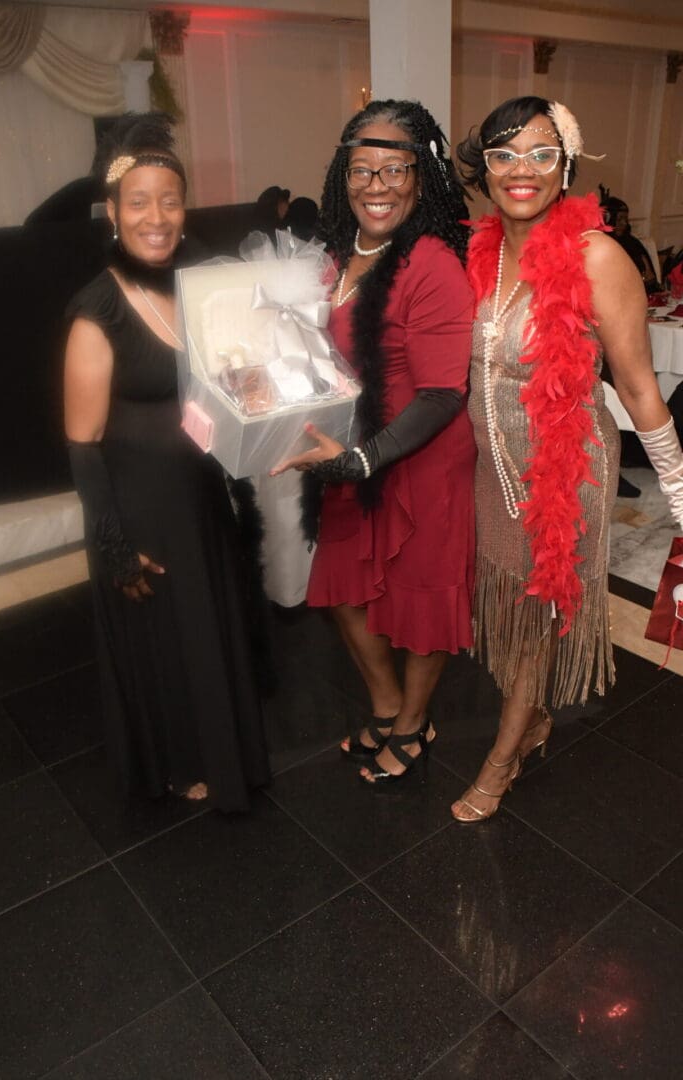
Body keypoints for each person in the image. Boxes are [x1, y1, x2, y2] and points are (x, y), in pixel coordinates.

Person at [453, 95, 683, 821]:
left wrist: (682, 496)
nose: (522, 170)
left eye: (541, 153)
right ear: (484, 168)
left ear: (566, 165)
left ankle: (502, 757)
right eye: (504, 154)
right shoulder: (481, 250)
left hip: (564, 470)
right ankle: (533, 721)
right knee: (506, 605)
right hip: (491, 467)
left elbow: (642, 390)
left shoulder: (597, 257)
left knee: (536, 615)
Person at [64, 113, 270, 811]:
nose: (157, 216)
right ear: (114, 214)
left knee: (207, 628)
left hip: (198, 496)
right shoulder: (98, 310)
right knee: (167, 641)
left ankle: (222, 747)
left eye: (170, 200)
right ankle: (182, 762)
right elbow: (83, 440)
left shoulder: (193, 289)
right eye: (140, 202)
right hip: (140, 508)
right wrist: (114, 544)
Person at [271, 99, 476, 787]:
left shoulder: (432, 262)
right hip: (349, 455)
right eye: (363, 169)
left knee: (419, 601)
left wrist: (364, 458)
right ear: (342, 175)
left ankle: (414, 724)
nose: (378, 184)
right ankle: (388, 705)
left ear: (422, 178)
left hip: (419, 457)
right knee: (344, 590)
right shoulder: (332, 256)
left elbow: (445, 392)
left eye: (396, 168)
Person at [598, 186, 663, 294]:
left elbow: (650, 280)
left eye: (625, 219)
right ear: (607, 220)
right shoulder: (600, 246)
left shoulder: (632, 243)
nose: (624, 223)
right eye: (619, 219)